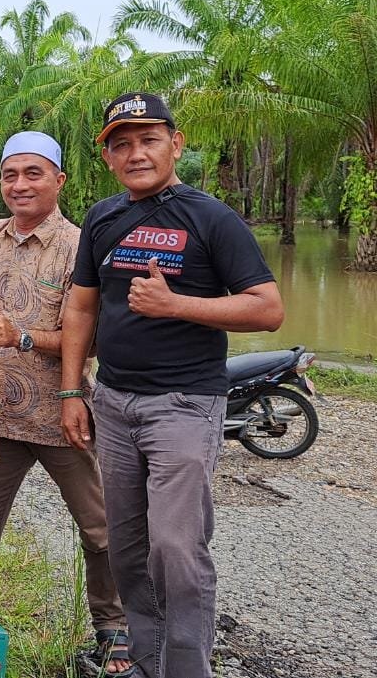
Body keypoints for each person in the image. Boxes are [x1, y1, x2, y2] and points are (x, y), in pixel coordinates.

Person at [60, 93, 284, 678]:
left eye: (149, 139)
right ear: (107, 157)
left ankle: (187, 669)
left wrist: (176, 304)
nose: (136, 153)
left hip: (184, 403)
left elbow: (268, 309)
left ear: (175, 144)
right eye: (121, 143)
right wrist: (71, 392)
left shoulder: (212, 218)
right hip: (111, 402)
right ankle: (147, 660)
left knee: (176, 548)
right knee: (129, 550)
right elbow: (81, 308)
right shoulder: (103, 218)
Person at [0, 132, 132, 674]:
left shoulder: (81, 243)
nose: (19, 185)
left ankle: (113, 631)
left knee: (99, 528)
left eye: (33, 173)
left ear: (59, 181)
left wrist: (23, 336)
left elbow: (86, 337)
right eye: (10, 175)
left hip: (61, 414)